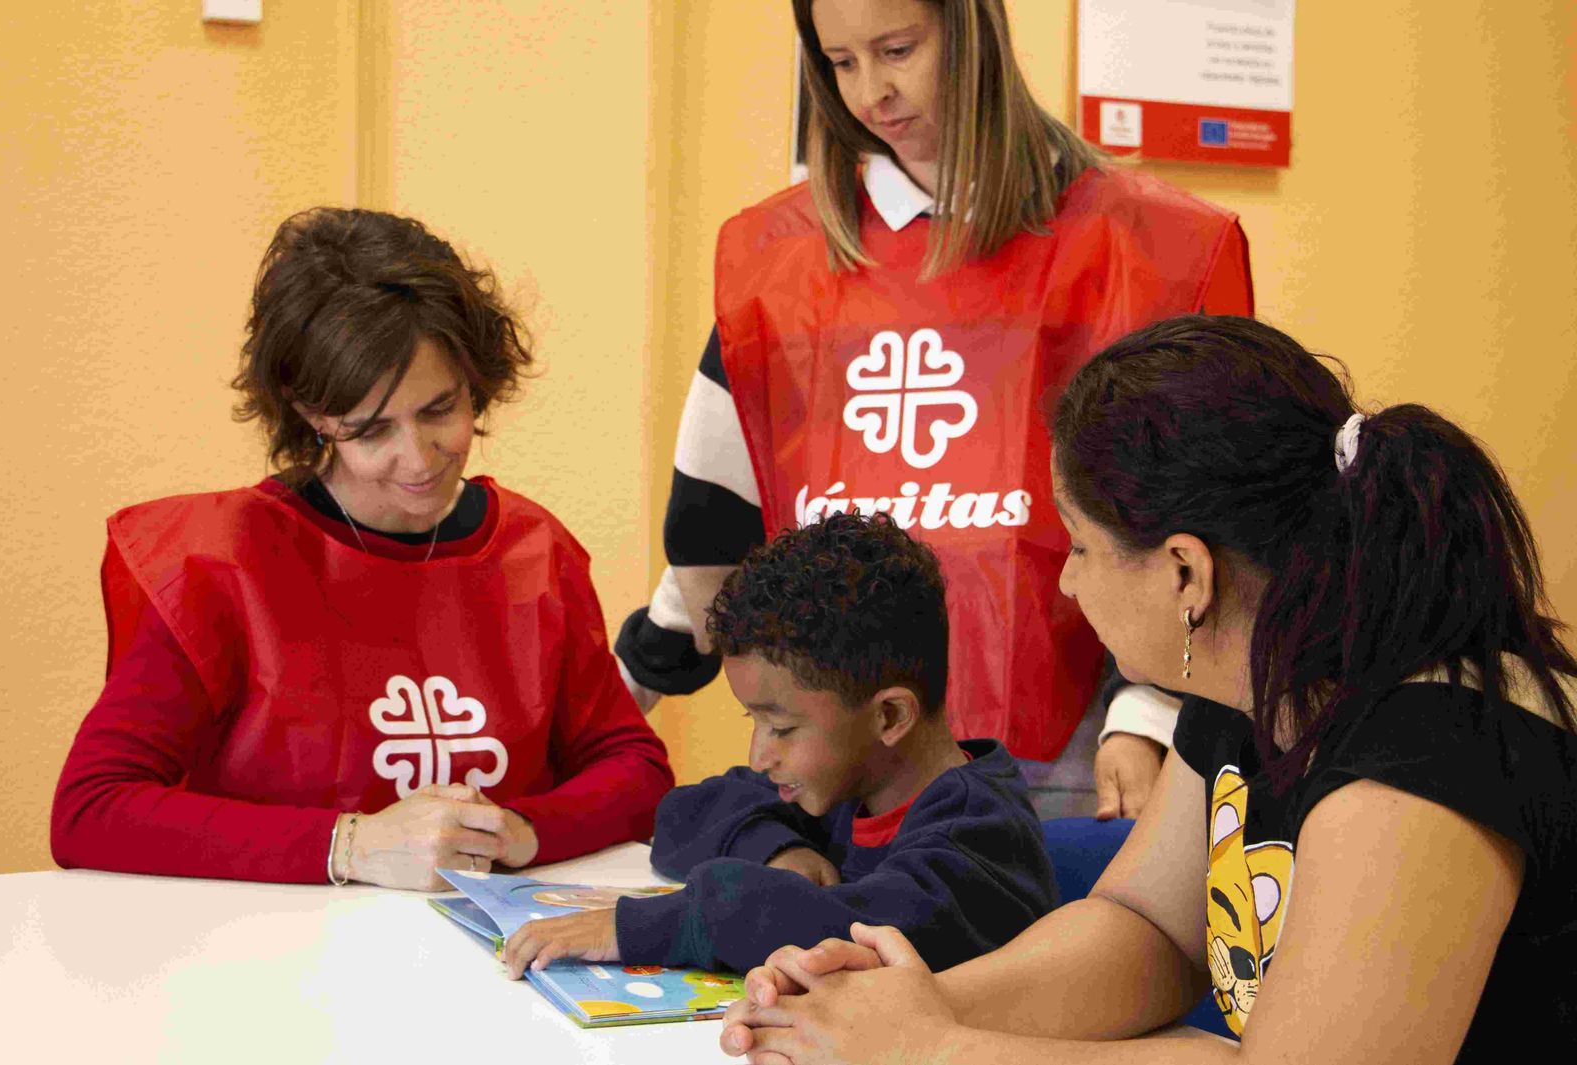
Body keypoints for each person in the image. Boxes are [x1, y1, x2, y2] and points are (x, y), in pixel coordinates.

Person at [718, 315, 1577, 1063]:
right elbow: (1149, 930)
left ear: (1184, 572)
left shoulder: (1429, 748)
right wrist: (914, 1000)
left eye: (1082, 546)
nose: (1068, 583)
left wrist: (934, 1047)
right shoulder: (1252, 681)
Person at [615, 0, 1255, 821]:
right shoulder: (775, 261)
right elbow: (718, 523)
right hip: (845, 752)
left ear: (973, 30)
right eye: (841, 64)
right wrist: (636, 678)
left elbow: (1211, 528)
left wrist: (1151, 714)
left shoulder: (1149, 249)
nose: (872, 91)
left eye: (897, 48)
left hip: (1075, 754)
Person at [51, 208, 674, 889]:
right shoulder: (218, 566)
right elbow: (91, 807)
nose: (419, 459)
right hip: (267, 963)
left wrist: (522, 831)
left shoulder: (535, 554)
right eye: (372, 429)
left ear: (475, 378)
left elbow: (635, 769)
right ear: (314, 414)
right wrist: (352, 844)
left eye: (441, 409)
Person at [499, 512, 1057, 979]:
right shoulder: (849, 784)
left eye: (781, 728)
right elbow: (684, 812)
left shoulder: (980, 837)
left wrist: (643, 926)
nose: (759, 756)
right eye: (755, 721)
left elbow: (848, 927)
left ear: (889, 715)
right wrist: (775, 850)